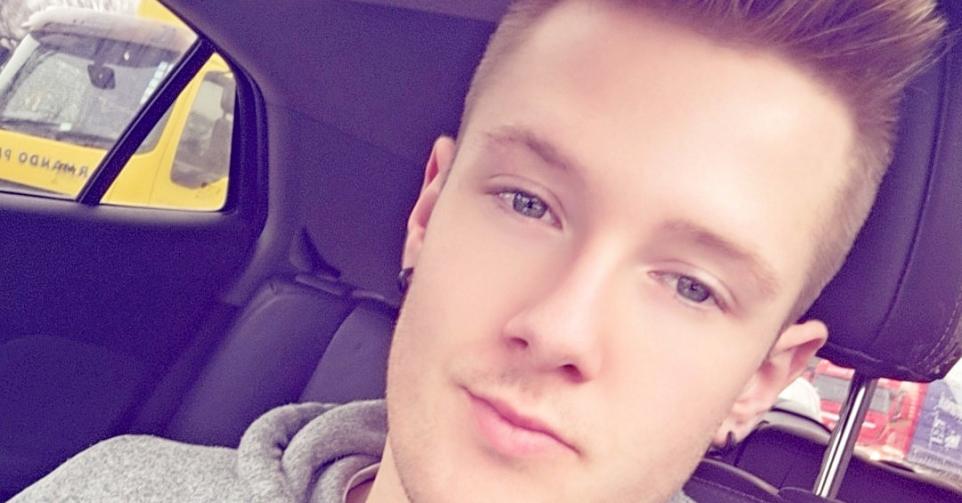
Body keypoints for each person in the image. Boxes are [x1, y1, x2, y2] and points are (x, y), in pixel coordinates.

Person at [11, 0, 947, 502]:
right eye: (527, 203)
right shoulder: (114, 488)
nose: (559, 327)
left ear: (762, 379)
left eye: (691, 287)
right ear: (428, 211)